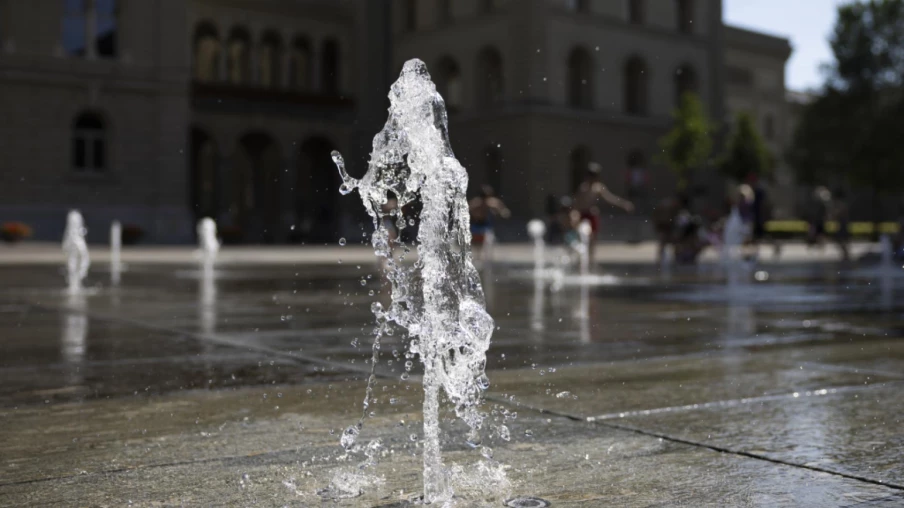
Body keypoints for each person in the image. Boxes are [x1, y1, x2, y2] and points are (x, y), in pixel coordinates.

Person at [572, 162, 634, 269]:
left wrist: (623, 204)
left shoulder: (598, 188)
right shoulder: (583, 188)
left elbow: (610, 198)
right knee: (582, 237)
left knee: (593, 239)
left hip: (592, 214)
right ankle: (580, 260)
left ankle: (591, 261)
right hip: (583, 214)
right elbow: (576, 203)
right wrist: (574, 214)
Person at [469, 185, 510, 262]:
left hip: (486, 224)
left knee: (488, 240)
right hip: (476, 224)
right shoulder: (476, 203)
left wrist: (502, 213)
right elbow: (467, 210)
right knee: (476, 243)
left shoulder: (493, 203)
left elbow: (504, 211)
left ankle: (486, 258)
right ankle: (478, 257)